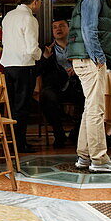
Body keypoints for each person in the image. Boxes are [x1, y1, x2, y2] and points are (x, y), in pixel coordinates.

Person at [67, 0, 111, 172]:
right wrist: (99, 57)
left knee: (91, 107)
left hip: (85, 58)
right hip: (89, 59)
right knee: (96, 110)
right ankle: (99, 159)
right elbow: (89, 29)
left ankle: (84, 156)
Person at [0, 0, 43, 152]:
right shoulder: (29, 19)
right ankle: (19, 144)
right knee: (22, 107)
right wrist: (41, 55)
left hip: (8, 64)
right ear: (34, 2)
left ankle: (11, 142)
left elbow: (4, 41)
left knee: (11, 106)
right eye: (40, 1)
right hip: (24, 66)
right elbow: (32, 48)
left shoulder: (9, 16)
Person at [38, 18, 84, 147]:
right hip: (55, 86)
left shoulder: (78, 46)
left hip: (76, 85)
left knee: (90, 99)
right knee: (47, 96)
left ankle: (76, 133)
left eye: (62, 26)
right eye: (55, 27)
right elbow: (38, 70)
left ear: (68, 28)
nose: (58, 29)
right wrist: (46, 57)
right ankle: (59, 134)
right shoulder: (46, 48)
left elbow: (87, 64)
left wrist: (77, 68)